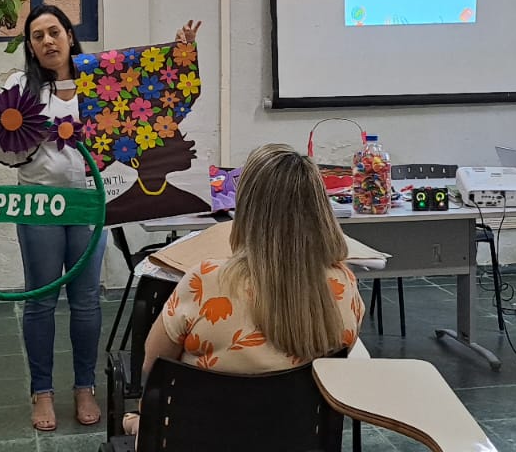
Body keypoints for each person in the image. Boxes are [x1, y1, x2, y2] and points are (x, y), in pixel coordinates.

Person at [0, 6, 200, 431]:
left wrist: (180, 54)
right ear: (31, 48)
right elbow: (5, 154)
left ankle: (85, 387)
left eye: (55, 32)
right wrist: (24, 136)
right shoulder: (19, 89)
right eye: (37, 36)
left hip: (89, 202)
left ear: (70, 36)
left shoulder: (100, 79)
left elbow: (154, 88)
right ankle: (43, 392)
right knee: (40, 300)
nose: (48, 41)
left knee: (87, 301)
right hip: (39, 202)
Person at [125, 143, 366, 435]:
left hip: (198, 437)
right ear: (320, 209)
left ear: (247, 207)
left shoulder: (206, 281)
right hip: (298, 438)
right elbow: (341, 360)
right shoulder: (342, 284)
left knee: (136, 420)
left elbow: (153, 371)